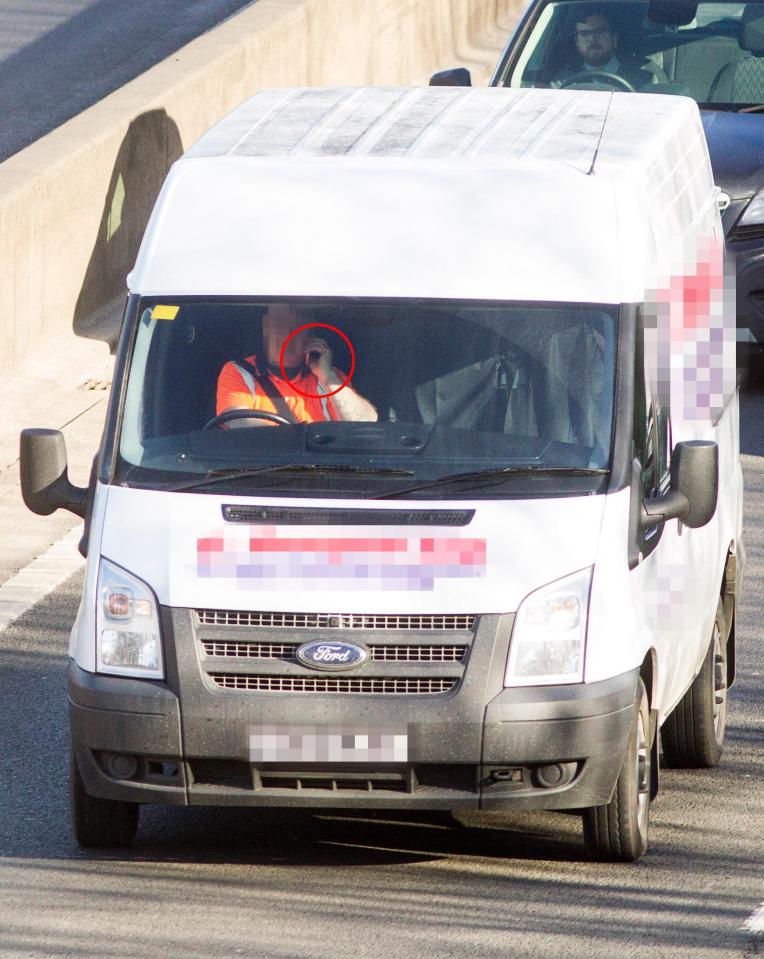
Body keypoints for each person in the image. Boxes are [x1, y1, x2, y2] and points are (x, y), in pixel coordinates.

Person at [216, 303, 377, 425]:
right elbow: (238, 424)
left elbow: (363, 425)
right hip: (263, 468)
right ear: (266, 326)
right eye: (281, 324)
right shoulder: (240, 373)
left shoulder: (330, 376)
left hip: (328, 468)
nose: (289, 333)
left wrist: (328, 378)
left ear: (311, 335)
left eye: (298, 326)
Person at [553, 8, 657, 90]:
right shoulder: (564, 81)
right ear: (577, 44)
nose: (592, 39)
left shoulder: (643, 79)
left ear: (614, 39)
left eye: (600, 32)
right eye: (585, 34)